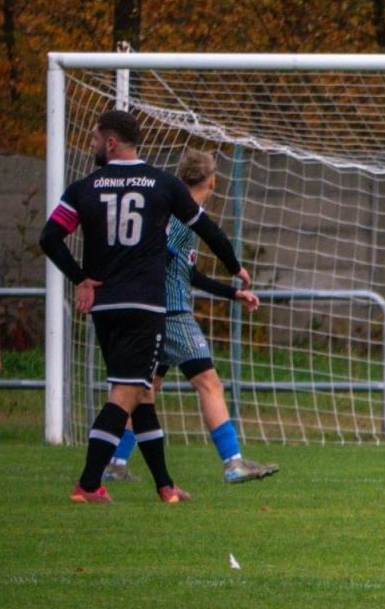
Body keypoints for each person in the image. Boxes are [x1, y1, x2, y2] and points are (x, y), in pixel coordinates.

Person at [38, 110, 249, 504]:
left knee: (141, 394)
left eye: (96, 138)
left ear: (112, 142)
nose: (93, 144)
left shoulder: (84, 187)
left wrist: (81, 277)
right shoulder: (162, 183)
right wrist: (235, 268)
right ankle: (88, 484)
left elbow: (50, 238)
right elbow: (208, 229)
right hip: (145, 306)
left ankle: (164, 486)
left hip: (104, 306)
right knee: (126, 394)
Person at [102, 149, 278, 486]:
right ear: (212, 181)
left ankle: (115, 463)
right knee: (208, 382)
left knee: (142, 391)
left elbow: (187, 272)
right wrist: (235, 271)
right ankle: (233, 463)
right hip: (171, 312)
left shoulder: (171, 212)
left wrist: (231, 294)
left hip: (155, 310)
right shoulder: (186, 217)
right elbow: (160, 257)